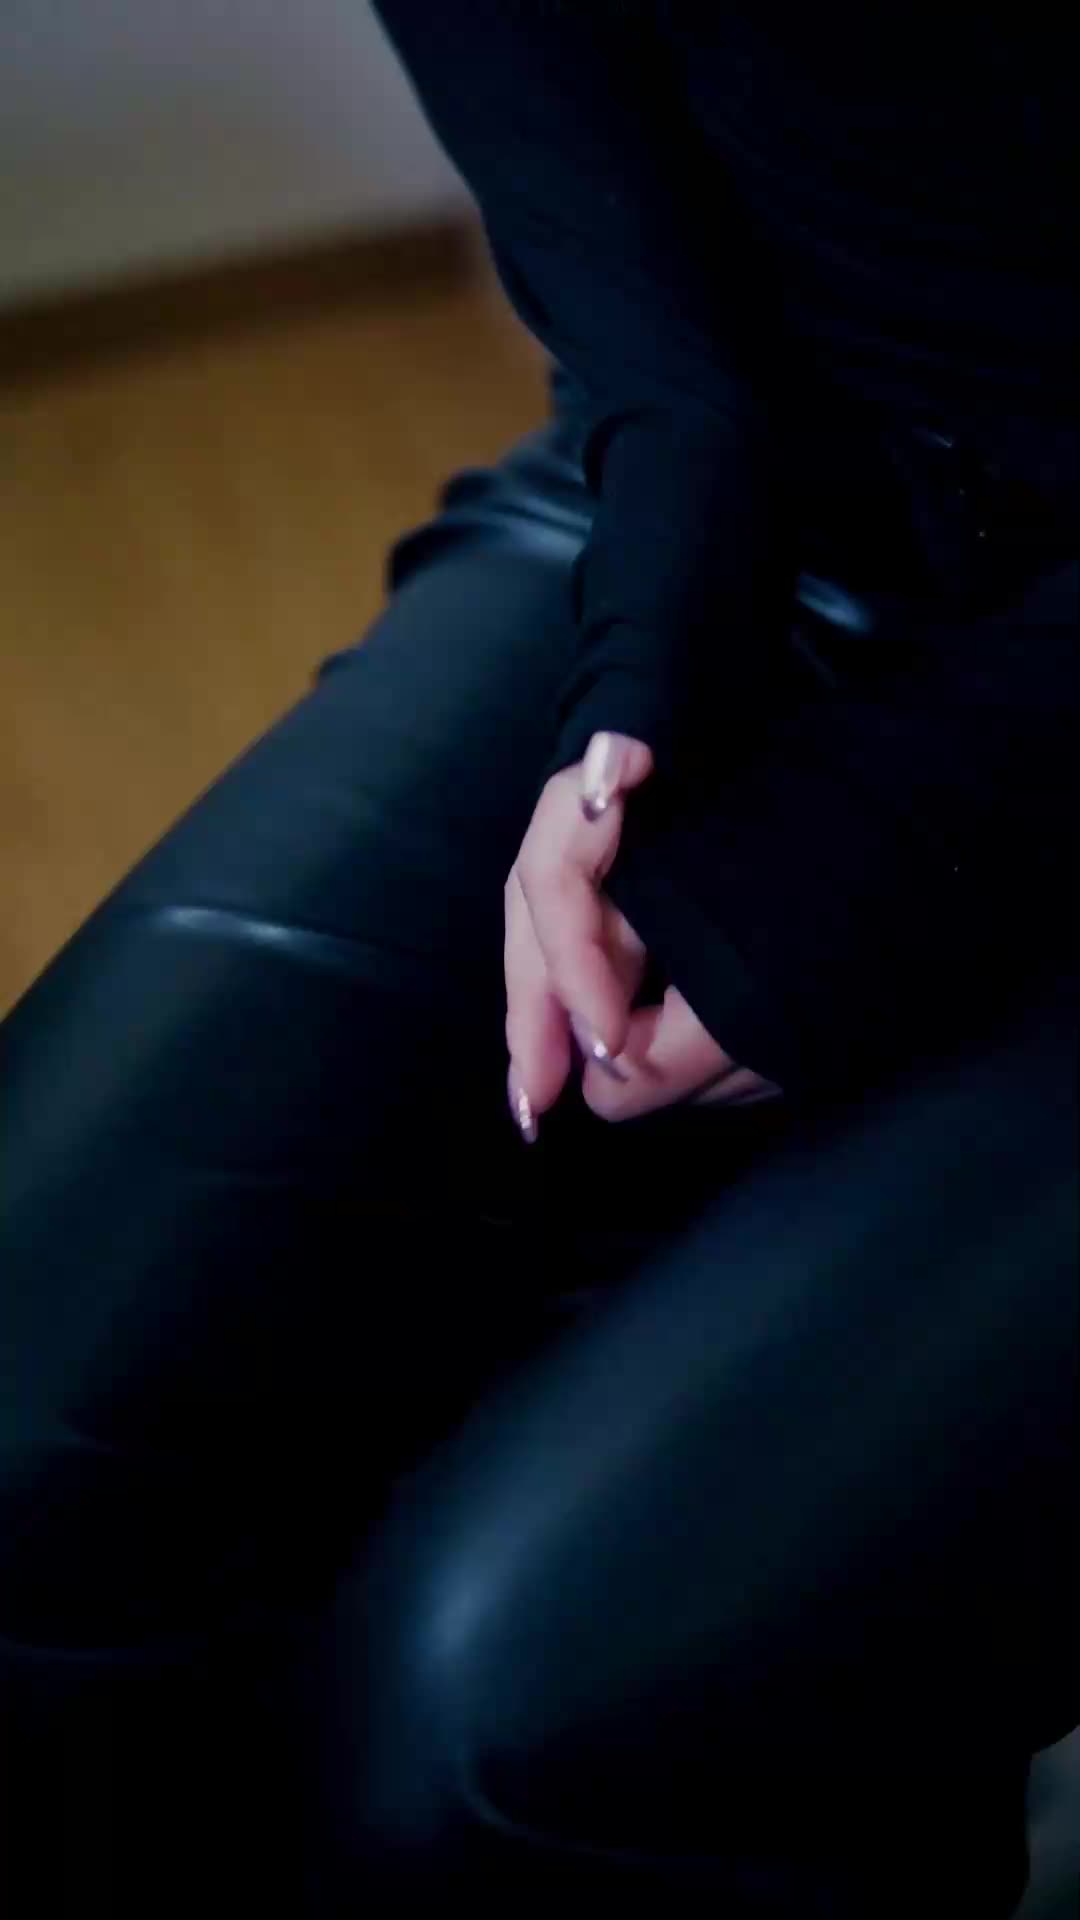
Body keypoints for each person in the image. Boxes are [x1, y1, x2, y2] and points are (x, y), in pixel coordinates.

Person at [2, 5, 1076, 1913]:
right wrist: (642, 677)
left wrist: (878, 848)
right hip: (760, 485)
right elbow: (632, 295)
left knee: (517, 1724)